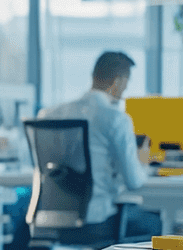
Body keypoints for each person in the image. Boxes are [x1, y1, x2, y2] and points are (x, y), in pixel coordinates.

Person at [39, 50, 159, 239]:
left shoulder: (53, 114)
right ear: (118, 81)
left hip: (54, 221)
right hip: (98, 222)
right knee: (155, 223)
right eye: (126, 83)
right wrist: (141, 162)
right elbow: (134, 182)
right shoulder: (115, 119)